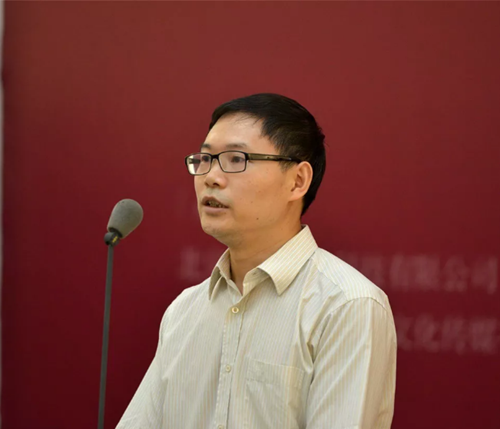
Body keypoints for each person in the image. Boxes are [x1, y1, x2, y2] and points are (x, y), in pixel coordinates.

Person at [116, 93, 397, 429]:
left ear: (297, 181)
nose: (211, 177)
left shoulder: (347, 306)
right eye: (205, 159)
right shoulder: (183, 312)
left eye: (236, 159)